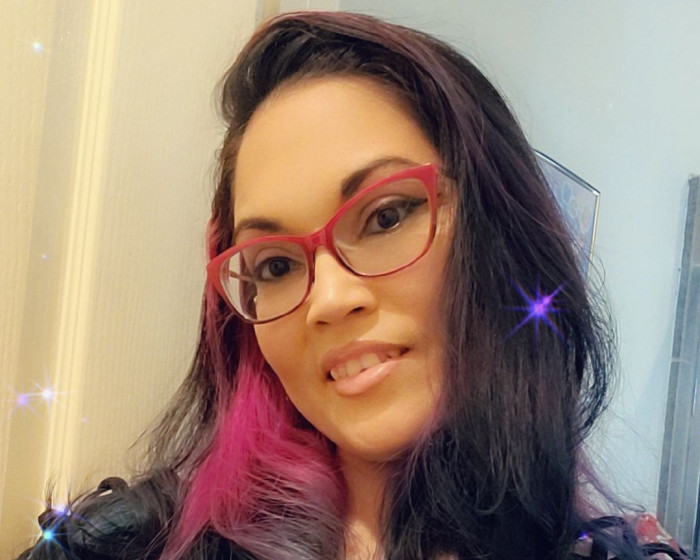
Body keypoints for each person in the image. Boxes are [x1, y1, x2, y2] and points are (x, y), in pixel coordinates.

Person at [16, 11, 687, 560]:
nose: (330, 300)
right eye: (275, 266)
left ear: (495, 228)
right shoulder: (124, 547)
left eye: (386, 216)